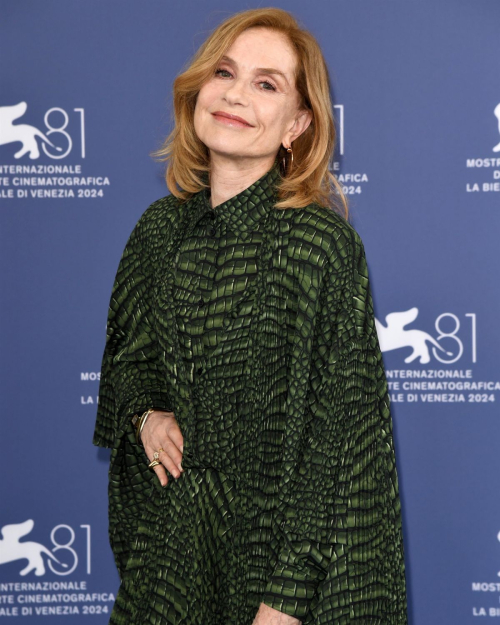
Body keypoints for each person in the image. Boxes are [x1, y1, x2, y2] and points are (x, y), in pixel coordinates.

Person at [92, 7, 409, 624]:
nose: (236, 94)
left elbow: (333, 448)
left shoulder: (319, 248)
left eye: (266, 84)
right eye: (225, 72)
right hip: (173, 555)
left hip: (279, 569)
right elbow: (127, 361)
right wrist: (147, 416)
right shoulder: (159, 230)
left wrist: (284, 604)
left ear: (297, 123)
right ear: (197, 91)